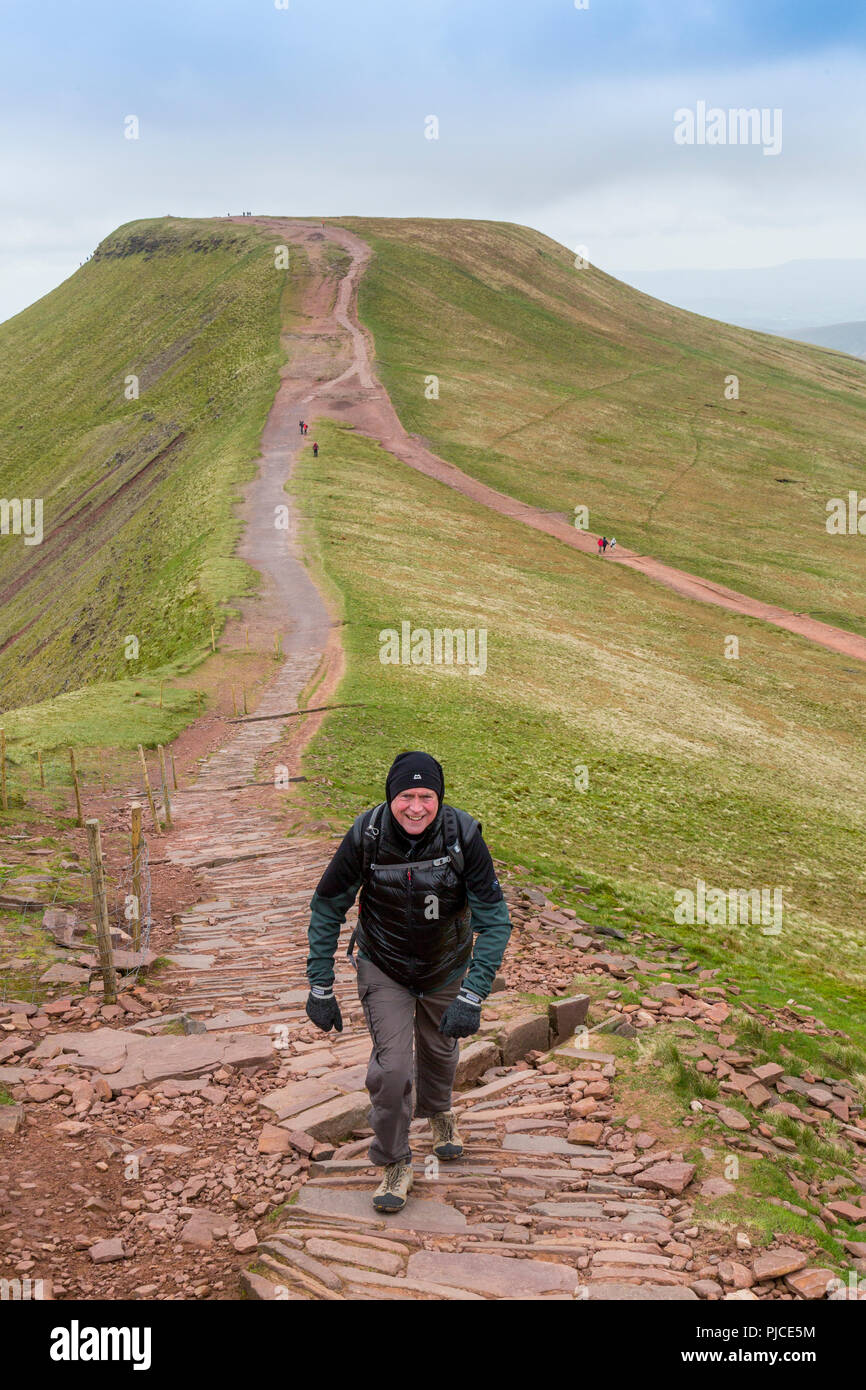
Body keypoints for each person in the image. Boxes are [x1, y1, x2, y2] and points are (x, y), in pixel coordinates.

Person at [305, 751, 512, 1214]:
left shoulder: (464, 836)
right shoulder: (366, 835)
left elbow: (495, 921)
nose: (415, 807)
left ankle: (439, 1111)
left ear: (439, 798)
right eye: (405, 796)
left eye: (426, 796)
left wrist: (473, 993)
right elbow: (327, 906)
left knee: (441, 1051)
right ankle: (395, 1161)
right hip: (385, 965)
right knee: (392, 1068)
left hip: (447, 964)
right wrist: (320, 985)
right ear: (390, 796)